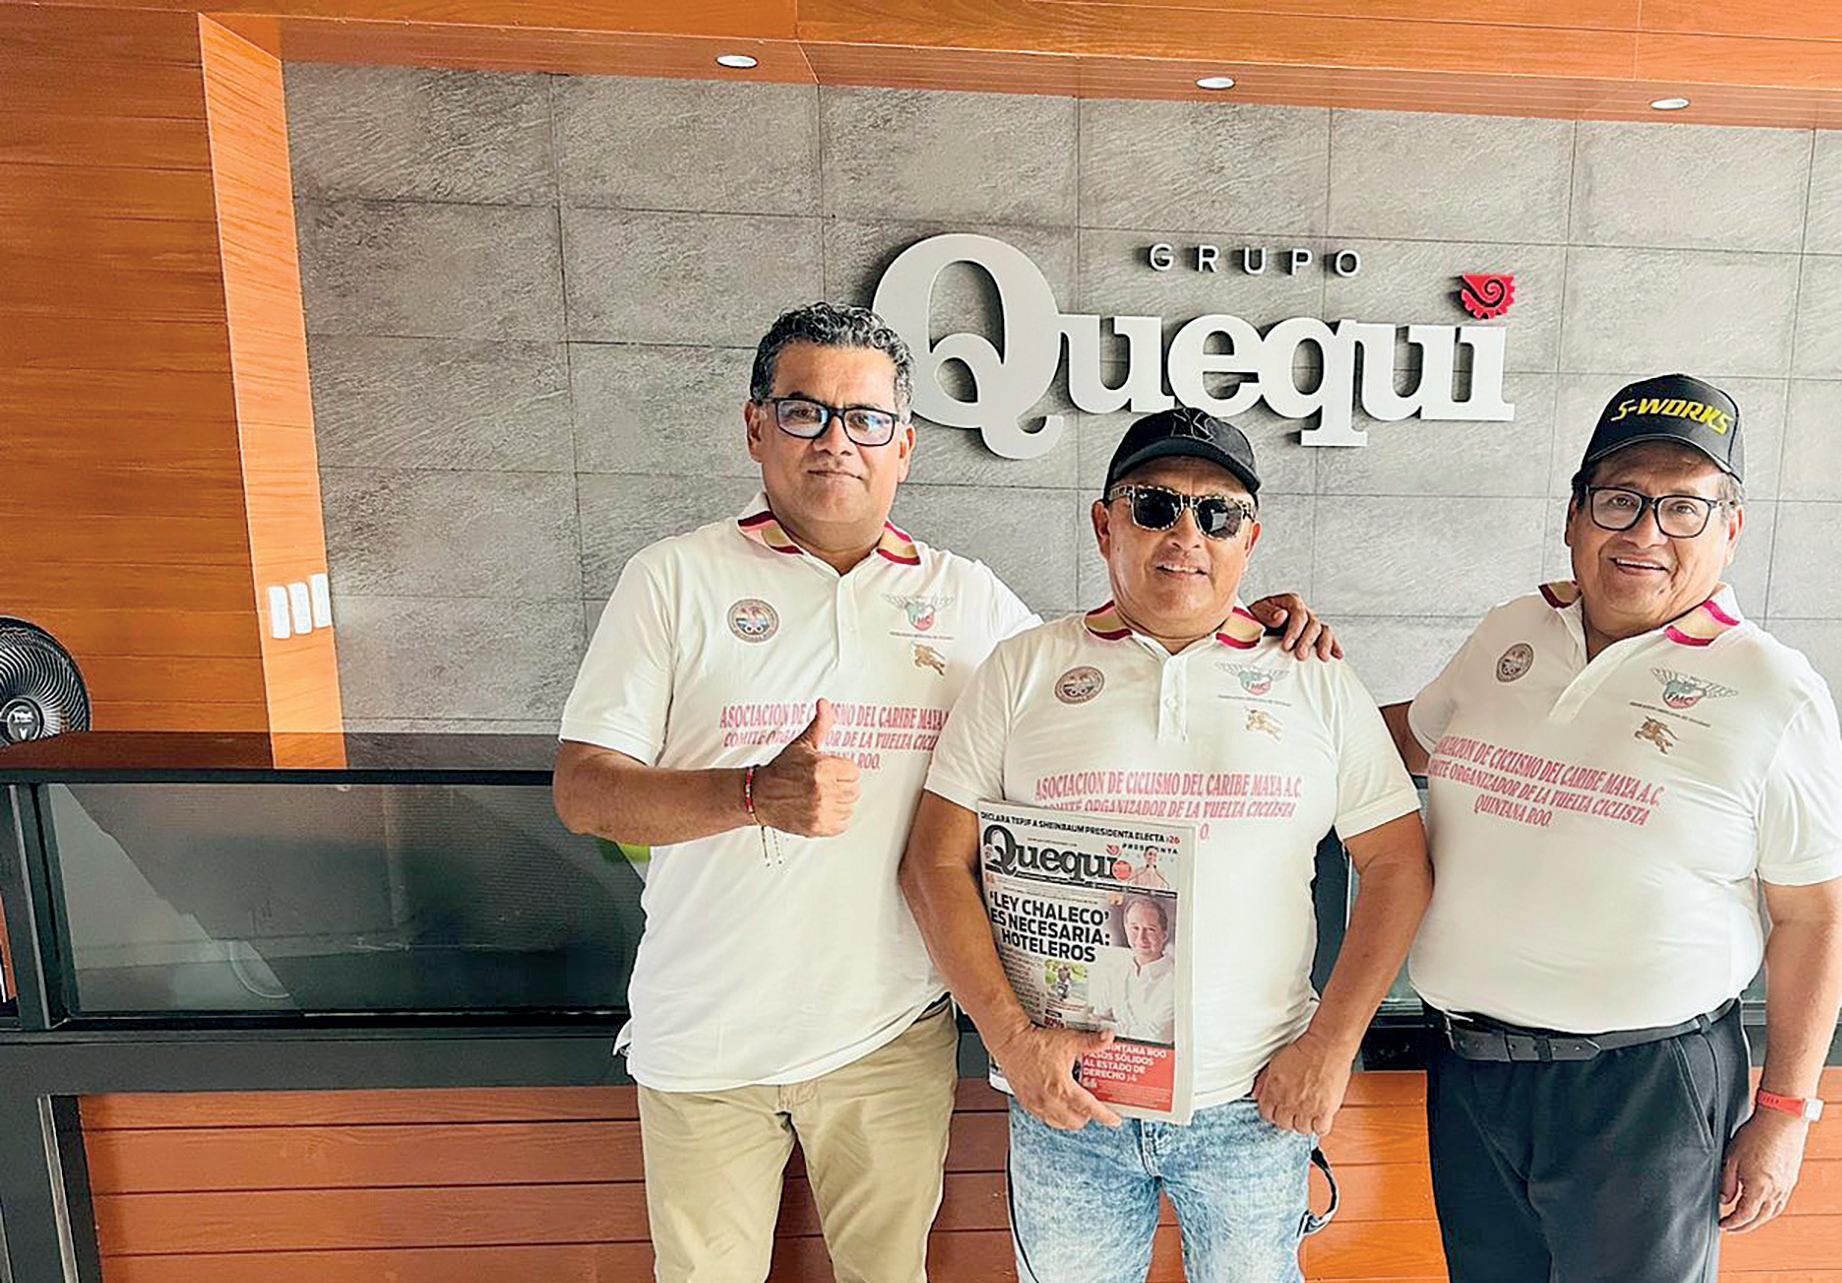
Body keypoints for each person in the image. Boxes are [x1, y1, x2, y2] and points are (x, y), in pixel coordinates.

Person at [551, 306, 1338, 1283]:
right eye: (804, 411)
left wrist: (1244, 625)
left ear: (905, 445)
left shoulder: (969, 602)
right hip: (704, 1034)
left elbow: (1112, 663)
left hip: (892, 1038)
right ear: (756, 426)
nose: (836, 440)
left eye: (866, 418)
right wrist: (752, 792)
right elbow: (585, 792)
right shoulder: (673, 579)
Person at [899, 407, 1433, 1283]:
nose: (1187, 534)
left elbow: (1398, 863)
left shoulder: (1315, 679)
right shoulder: (1023, 668)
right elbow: (933, 861)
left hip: (1255, 1103)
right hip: (1069, 1102)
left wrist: (1331, 1048)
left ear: (1249, 538)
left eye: (1217, 513)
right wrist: (1011, 1042)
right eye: (1155, 506)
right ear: (1105, 523)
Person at [1381, 373, 1842, 1282]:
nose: (1643, 533)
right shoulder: (1514, 629)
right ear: (1573, 515)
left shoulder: (1773, 690)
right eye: (1619, 499)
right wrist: (1276, 672)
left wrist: (1787, 1110)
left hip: (1644, 1090)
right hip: (1470, 1069)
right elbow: (1409, 739)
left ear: (1731, 529)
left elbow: (1814, 914)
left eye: (1683, 507)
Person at [1090, 895, 1177, 1044]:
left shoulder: (1175, 980)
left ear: (1164, 935)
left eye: (1150, 929)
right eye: (1135, 928)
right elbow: (1095, 1018)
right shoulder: (1117, 970)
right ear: (1126, 929)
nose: (1141, 938)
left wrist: (1108, 1026)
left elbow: (1158, 1036)